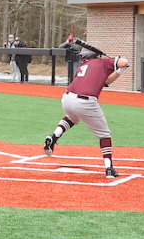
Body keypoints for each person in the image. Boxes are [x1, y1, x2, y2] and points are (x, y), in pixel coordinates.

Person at [41, 46, 130, 178]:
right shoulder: (103, 63)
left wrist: (120, 70)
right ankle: (109, 168)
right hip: (85, 102)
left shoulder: (83, 67)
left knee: (72, 118)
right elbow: (123, 61)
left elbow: (106, 81)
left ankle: (54, 136)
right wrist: (118, 62)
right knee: (104, 134)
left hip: (67, 98)